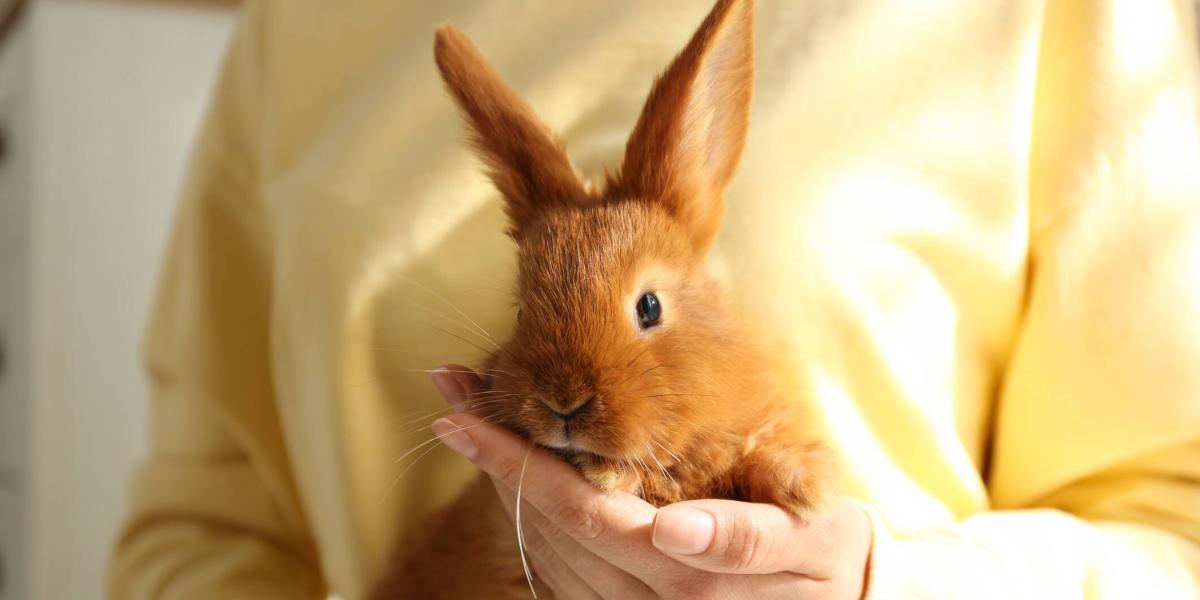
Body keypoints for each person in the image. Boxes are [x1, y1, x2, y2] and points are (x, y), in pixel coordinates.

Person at [108, 0, 1200, 598]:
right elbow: (206, 527)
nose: (577, 389)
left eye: (641, 315)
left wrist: (888, 587)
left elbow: (1176, 532)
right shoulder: (297, 28)